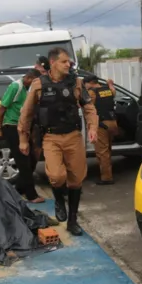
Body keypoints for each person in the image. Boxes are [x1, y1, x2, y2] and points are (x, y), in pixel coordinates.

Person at [18, 47, 98, 236]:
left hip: (73, 137)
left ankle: (72, 220)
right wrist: (23, 139)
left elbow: (89, 108)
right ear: (53, 63)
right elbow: (26, 114)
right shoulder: (38, 85)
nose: (68, 64)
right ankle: (59, 200)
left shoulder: (76, 83)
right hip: (51, 137)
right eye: (64, 61)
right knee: (56, 176)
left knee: (76, 180)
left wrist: (93, 127)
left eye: (69, 62)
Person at [0, 69, 45, 203]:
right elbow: (2, 108)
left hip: (23, 127)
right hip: (11, 126)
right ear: (29, 78)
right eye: (35, 81)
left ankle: (19, 189)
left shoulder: (28, 89)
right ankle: (31, 195)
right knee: (23, 161)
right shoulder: (15, 87)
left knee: (30, 159)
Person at [84, 74, 119, 185]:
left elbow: (87, 106)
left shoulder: (92, 93)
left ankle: (106, 178)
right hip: (113, 123)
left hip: (101, 125)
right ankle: (108, 172)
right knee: (108, 150)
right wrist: (110, 84)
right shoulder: (108, 90)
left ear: (90, 83)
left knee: (102, 152)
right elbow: (114, 92)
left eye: (86, 84)